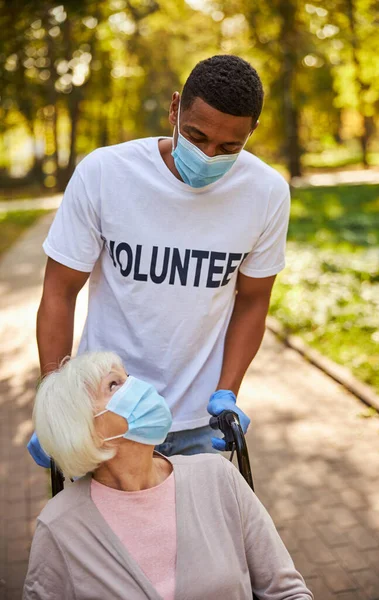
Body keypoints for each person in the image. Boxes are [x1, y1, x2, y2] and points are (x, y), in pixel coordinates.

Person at [28, 54, 291, 463]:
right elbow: (59, 291)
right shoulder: (105, 173)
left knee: (196, 527)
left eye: (228, 147)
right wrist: (54, 402)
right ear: (174, 109)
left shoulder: (267, 193)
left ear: (252, 131)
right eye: (196, 136)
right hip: (103, 416)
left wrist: (228, 391)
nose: (207, 156)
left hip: (201, 424)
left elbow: (254, 299)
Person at [24, 351, 313, 600]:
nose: (138, 387)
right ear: (88, 431)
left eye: (128, 377)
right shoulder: (60, 527)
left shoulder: (217, 477)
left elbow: (286, 591)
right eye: (114, 385)